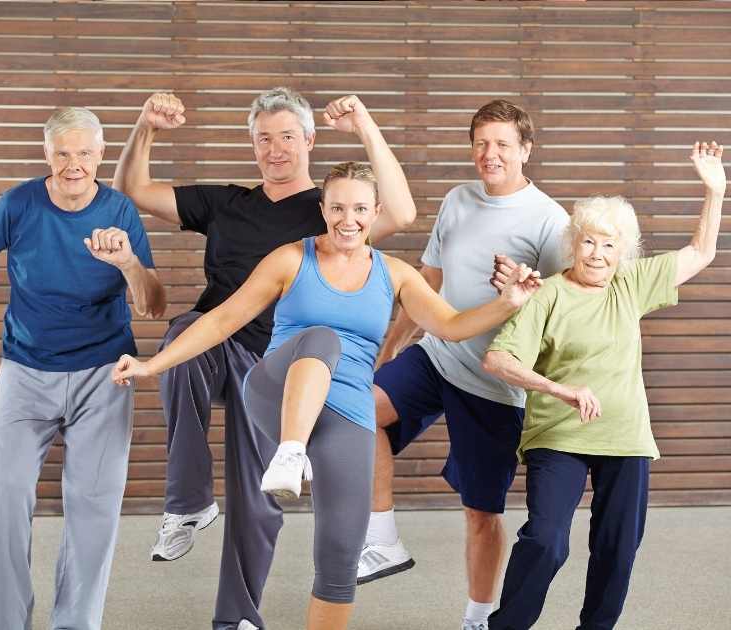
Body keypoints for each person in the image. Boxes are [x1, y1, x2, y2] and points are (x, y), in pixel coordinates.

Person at [112, 160, 541, 630]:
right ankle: (292, 452)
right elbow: (218, 321)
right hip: (274, 394)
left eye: (359, 208)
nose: (348, 219)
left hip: (345, 414)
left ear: (376, 213)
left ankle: (299, 460)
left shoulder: (394, 274)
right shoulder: (290, 259)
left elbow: (452, 326)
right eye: (337, 208)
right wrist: (153, 364)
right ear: (322, 210)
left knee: (340, 558)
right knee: (323, 339)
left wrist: (506, 303)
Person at [114, 89, 417, 629]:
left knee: (257, 501)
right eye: (262, 139)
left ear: (309, 140)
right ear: (252, 145)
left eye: (286, 137)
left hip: (278, 367)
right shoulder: (226, 202)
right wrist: (147, 126)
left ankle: (236, 619)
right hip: (215, 344)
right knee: (183, 337)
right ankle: (187, 501)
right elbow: (133, 189)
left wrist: (367, 126)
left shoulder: (330, 214)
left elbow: (403, 211)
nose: (274, 150)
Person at [481, 141, 725, 630]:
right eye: (589, 241)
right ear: (574, 243)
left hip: (625, 437)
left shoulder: (629, 284)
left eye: (609, 244)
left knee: (617, 544)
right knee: (547, 539)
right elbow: (498, 359)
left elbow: (701, 252)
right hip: (559, 436)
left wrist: (715, 190)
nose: (597, 253)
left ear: (624, 251)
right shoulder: (548, 293)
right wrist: (562, 390)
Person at [357, 99, 569, 630]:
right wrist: (389, 350)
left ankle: (476, 618)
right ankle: (382, 539)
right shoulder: (457, 199)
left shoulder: (549, 221)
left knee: (481, 513)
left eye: (501, 144)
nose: (488, 154)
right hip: (437, 354)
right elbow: (427, 283)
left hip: (495, 385)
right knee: (356, 410)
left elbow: (564, 312)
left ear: (526, 150)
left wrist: (521, 292)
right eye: (480, 143)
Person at [0, 107, 165, 630]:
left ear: (100, 155)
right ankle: (6, 623)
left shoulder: (120, 210)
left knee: (93, 508)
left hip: (103, 373)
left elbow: (152, 304)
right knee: (8, 491)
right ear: (47, 155)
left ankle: (75, 624)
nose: (73, 164)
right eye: (63, 153)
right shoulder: (19, 204)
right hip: (25, 369)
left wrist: (129, 262)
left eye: (84, 153)